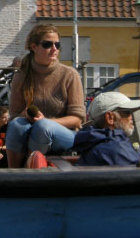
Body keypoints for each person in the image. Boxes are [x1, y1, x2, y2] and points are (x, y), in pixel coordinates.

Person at [6, 24, 85, 168]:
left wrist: (47, 120)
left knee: (43, 126)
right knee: (16, 125)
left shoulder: (69, 75)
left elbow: (77, 119)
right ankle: (12, 173)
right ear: (34, 47)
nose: (54, 49)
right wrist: (23, 115)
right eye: (47, 44)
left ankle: (28, 171)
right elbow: (14, 116)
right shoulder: (21, 76)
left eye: (57, 44)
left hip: (66, 135)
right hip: (31, 130)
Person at [72, 91, 140, 166]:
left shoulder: (94, 142)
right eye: (127, 112)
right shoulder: (116, 149)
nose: (131, 117)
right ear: (110, 118)